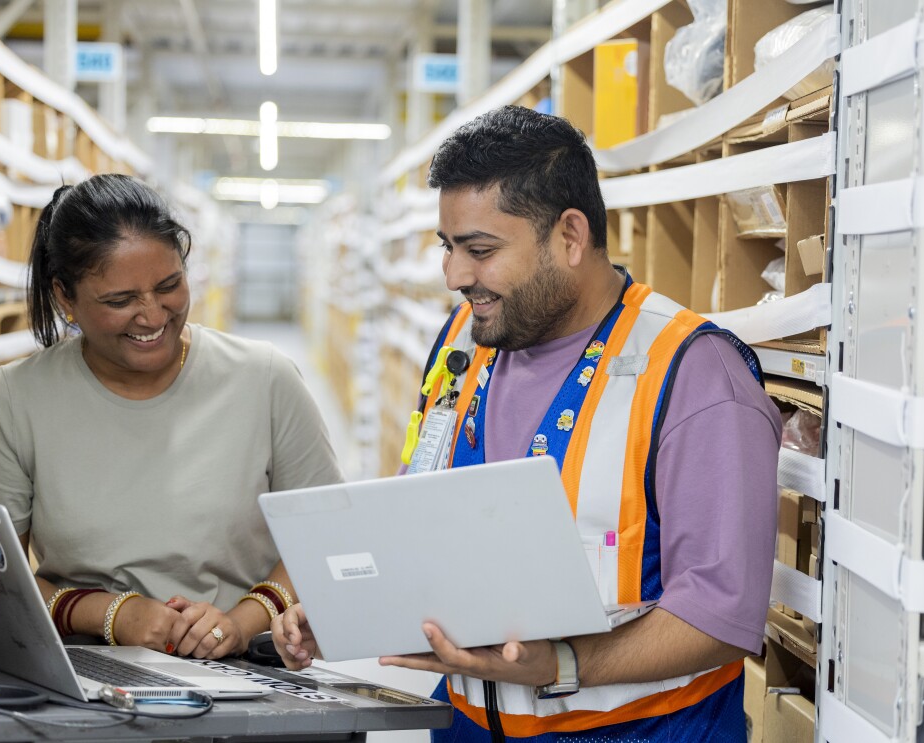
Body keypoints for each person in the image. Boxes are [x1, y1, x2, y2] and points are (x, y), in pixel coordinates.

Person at [274, 105, 780, 741]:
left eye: (480, 250)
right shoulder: (465, 342)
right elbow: (419, 516)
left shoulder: (692, 375)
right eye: (448, 248)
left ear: (570, 236)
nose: (455, 276)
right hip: (467, 726)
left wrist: (565, 663)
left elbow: (721, 614)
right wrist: (351, 609)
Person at [0, 174, 343, 660]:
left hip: (251, 669)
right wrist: (107, 612)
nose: (153, 316)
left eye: (169, 286)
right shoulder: (14, 400)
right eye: (120, 301)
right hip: (85, 673)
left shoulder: (266, 379)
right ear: (65, 297)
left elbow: (326, 538)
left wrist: (241, 622)